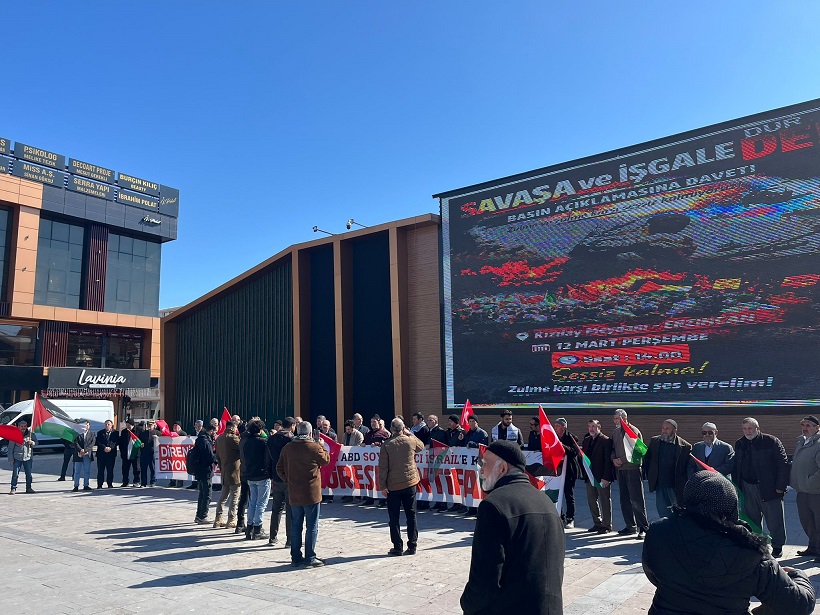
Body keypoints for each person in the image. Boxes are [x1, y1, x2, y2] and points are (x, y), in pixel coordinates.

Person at [642, 470, 815, 615]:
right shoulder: (751, 551)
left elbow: (654, 574)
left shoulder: (659, 532)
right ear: (732, 507)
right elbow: (799, 605)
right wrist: (798, 575)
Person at [460, 440, 564, 614]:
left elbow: (485, 578)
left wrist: (467, 603)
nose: (481, 470)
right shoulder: (546, 501)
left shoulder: (494, 505)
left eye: (485, 463)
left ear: (502, 468)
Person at [732, 417, 790, 558]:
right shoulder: (740, 443)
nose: (747, 431)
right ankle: (758, 545)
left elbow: (782, 464)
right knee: (752, 520)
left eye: (750, 428)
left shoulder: (771, 442)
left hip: (769, 488)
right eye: (745, 428)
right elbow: (736, 466)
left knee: (774, 520)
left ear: (758, 428)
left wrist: (780, 486)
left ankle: (777, 546)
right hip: (747, 487)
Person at [276, 421, 330, 567]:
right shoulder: (314, 447)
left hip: (294, 491)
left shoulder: (288, 448)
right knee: (311, 526)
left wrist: (288, 479)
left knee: (295, 525)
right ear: (311, 433)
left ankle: (295, 556)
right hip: (311, 492)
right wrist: (322, 445)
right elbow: (326, 460)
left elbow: (279, 468)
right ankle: (310, 557)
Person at [379, 418, 424, 556]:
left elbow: (383, 468)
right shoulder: (410, 440)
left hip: (393, 485)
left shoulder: (386, 445)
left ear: (392, 429)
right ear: (403, 428)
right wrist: (410, 434)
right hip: (410, 482)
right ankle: (412, 545)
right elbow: (421, 447)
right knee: (411, 515)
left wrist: (383, 485)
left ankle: (397, 546)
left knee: (394, 517)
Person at [612, 409, 649, 539]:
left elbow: (638, 451)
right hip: (621, 470)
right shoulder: (616, 432)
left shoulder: (633, 431)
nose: (615, 421)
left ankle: (643, 527)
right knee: (624, 499)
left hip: (633, 469)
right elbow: (613, 449)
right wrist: (614, 459)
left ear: (624, 418)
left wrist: (622, 459)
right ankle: (630, 525)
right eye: (614, 418)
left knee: (636, 499)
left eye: (617, 418)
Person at [643, 419, 692, 519]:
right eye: (663, 428)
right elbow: (648, 459)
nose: (664, 431)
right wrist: (650, 475)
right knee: (662, 510)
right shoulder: (655, 441)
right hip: (660, 484)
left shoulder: (685, 446)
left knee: (677, 511)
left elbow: (688, 467)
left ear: (675, 430)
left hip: (675, 485)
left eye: (667, 429)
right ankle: (665, 530)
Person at [791, 415, 820, 560]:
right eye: (803, 425)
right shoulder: (801, 442)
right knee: (807, 521)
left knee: (818, 521)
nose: (805, 428)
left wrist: (810, 483)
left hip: (815, 492)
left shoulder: (818, 443)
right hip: (801, 490)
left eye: (808, 425)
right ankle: (813, 547)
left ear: (817, 428)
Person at [582, 419, 614, 534]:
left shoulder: (606, 441)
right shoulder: (586, 440)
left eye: (594, 426)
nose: (591, 429)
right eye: (589, 426)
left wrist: (606, 478)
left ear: (599, 427)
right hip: (589, 476)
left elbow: (607, 461)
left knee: (604, 500)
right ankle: (597, 523)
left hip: (602, 477)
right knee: (591, 500)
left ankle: (606, 525)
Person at [267, 417, 295, 546]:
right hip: (289, 477)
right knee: (290, 509)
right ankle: (290, 539)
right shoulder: (291, 440)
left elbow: (268, 459)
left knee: (276, 508)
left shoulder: (272, 439)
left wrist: (270, 474)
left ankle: (272, 537)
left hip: (276, 476)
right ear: (292, 426)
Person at [241, 418, 271, 540]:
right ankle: (257, 529)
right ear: (260, 430)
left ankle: (249, 528)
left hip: (250, 474)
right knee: (261, 504)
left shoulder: (246, 442)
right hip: (262, 475)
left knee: (252, 502)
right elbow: (268, 458)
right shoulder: (263, 442)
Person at [214, 420, 241, 529]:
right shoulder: (233, 438)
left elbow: (218, 456)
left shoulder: (219, 438)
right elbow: (242, 448)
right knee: (235, 496)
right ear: (233, 427)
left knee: (223, 496)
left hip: (224, 470)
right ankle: (231, 519)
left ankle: (218, 518)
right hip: (235, 471)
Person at [554, 418, 580, 528]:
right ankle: (561, 516)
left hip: (569, 470)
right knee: (557, 494)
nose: (555, 428)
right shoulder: (554, 437)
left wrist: (562, 445)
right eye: (554, 426)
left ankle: (570, 518)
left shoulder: (571, 437)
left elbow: (574, 452)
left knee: (568, 494)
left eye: (557, 426)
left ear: (563, 427)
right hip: (557, 470)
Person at [192, 423, 217, 523]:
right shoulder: (206, 441)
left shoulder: (200, 439)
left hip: (199, 470)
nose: (215, 434)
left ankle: (199, 515)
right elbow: (210, 457)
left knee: (202, 493)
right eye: (214, 432)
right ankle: (203, 516)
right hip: (205, 470)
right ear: (211, 431)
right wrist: (217, 460)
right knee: (207, 494)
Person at [8, 419, 36, 494]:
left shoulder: (30, 434)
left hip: (28, 457)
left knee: (29, 474)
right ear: (18, 427)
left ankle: (29, 488)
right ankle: (13, 488)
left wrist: (32, 443)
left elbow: (37, 443)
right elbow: (10, 448)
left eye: (25, 426)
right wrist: (10, 458)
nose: (23, 427)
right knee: (15, 474)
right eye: (22, 426)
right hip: (17, 458)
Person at [72, 421, 96, 492]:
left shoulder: (92, 434)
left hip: (87, 455)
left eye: (87, 425)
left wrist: (85, 450)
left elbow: (92, 443)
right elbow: (75, 442)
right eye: (85, 425)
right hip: (79, 454)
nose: (86, 427)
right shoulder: (77, 433)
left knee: (87, 471)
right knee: (77, 471)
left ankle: (86, 485)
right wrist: (80, 450)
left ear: (89, 426)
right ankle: (76, 486)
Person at [96, 419, 119, 489]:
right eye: (106, 424)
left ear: (111, 425)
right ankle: (100, 484)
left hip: (111, 454)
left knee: (110, 470)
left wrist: (110, 448)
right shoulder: (100, 433)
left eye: (108, 424)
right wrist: (104, 448)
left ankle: (110, 484)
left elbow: (116, 441)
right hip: (101, 454)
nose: (107, 425)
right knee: (100, 470)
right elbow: (98, 442)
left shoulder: (115, 433)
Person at [139, 419, 160, 487]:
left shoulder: (158, 433)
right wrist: (141, 444)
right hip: (144, 453)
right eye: (149, 425)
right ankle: (143, 483)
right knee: (143, 468)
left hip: (152, 453)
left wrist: (158, 438)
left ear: (154, 425)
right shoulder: (143, 433)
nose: (150, 426)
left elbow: (163, 442)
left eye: (151, 425)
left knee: (153, 468)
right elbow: (139, 441)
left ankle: (153, 481)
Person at [118, 418, 140, 487]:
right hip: (126, 454)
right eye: (127, 425)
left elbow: (141, 441)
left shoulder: (139, 430)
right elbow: (121, 443)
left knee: (136, 469)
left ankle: (136, 481)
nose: (127, 426)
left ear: (132, 425)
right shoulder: (124, 432)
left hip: (135, 453)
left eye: (129, 425)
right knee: (125, 469)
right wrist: (122, 452)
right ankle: (125, 482)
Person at [186, 419, 204, 490]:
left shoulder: (204, 432)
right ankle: (194, 483)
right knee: (193, 467)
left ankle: (199, 484)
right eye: (196, 425)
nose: (197, 427)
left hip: (201, 453)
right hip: (194, 453)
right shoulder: (193, 433)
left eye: (199, 425)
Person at [169, 422, 187, 487]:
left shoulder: (183, 433)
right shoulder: (171, 433)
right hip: (172, 453)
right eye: (174, 426)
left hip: (180, 454)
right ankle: (172, 482)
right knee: (172, 468)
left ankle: (180, 482)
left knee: (179, 468)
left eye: (176, 426)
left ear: (180, 427)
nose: (174, 427)